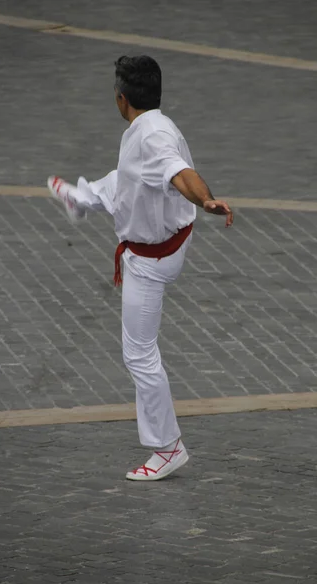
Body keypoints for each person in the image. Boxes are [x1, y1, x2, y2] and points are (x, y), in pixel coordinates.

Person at [47, 55, 233, 481]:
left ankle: (168, 447)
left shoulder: (152, 140)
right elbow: (163, 172)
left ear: (122, 99)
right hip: (169, 235)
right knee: (123, 178)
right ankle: (84, 198)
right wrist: (201, 201)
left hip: (151, 259)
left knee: (139, 355)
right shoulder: (153, 127)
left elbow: (181, 173)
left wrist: (205, 199)